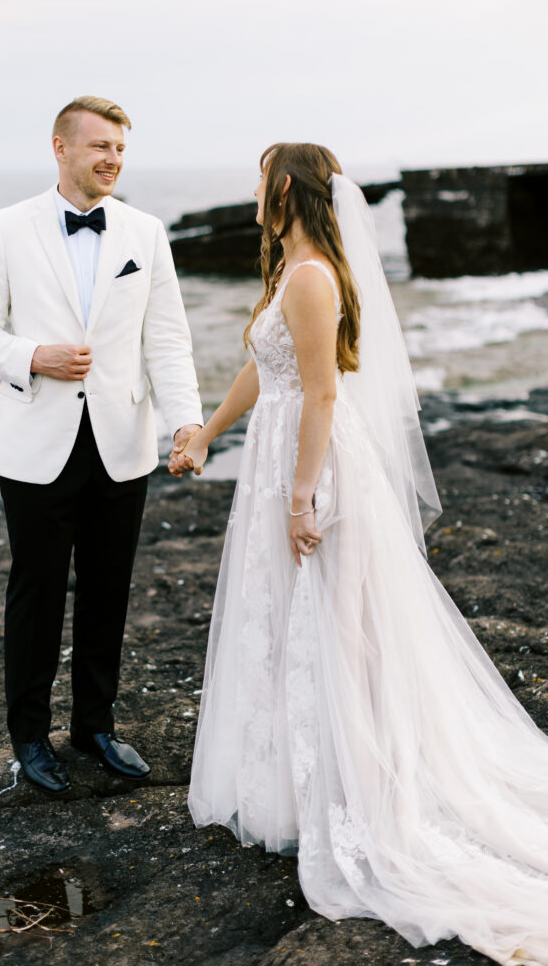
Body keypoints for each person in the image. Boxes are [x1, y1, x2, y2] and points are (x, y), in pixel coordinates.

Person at [176, 143, 548, 966]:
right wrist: (205, 433)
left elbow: (320, 391)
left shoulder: (310, 280)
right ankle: (297, 780)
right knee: (290, 621)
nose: (250, 192)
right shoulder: (289, 270)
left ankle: (360, 785)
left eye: (259, 179)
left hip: (314, 465)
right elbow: (261, 372)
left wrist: (301, 497)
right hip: (280, 454)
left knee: (337, 626)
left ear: (285, 190)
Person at [0, 95, 202, 795]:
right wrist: (35, 355)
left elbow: (167, 338)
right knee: (35, 593)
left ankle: (95, 726)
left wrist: (186, 422)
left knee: (107, 590)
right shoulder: (6, 228)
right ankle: (29, 739)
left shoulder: (145, 232)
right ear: (60, 148)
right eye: (99, 147)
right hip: (36, 442)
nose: (112, 160)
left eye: (120, 149)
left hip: (123, 440)